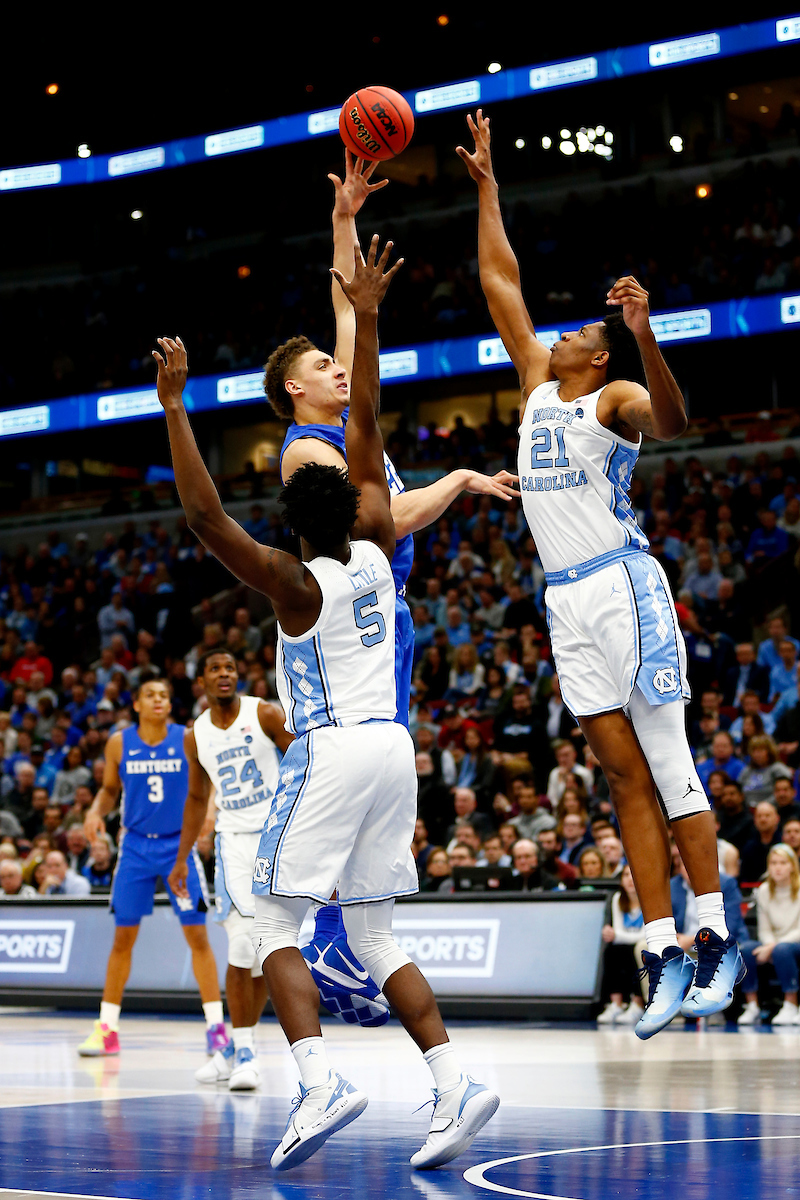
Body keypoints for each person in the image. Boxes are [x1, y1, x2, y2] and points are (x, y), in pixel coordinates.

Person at [153, 240, 498, 1172]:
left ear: (293, 518)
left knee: (264, 922)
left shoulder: (290, 582)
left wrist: (177, 407)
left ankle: (317, 1078)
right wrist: (371, 318)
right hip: (397, 748)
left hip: (334, 752)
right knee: (378, 932)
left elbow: (202, 516)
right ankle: (454, 1081)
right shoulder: (381, 544)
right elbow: (372, 426)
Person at [459, 107, 742, 1040]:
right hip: (564, 601)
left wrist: (643, 330)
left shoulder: (614, 393)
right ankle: (662, 947)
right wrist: (489, 187)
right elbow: (501, 280)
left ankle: (717, 933)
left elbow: (675, 423)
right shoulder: (541, 382)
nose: (566, 332)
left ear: (600, 355)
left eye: (585, 329)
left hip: (625, 585)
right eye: (574, 327)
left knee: (668, 764)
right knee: (622, 781)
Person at [267, 155, 516, 973]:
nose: (339, 369)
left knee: (380, 775)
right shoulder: (308, 450)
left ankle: (346, 937)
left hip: (380, 611)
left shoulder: (343, 420)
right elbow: (376, 530)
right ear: (297, 395)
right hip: (348, 620)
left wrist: (343, 216)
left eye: (336, 365)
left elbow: (349, 308)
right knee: (359, 769)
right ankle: (325, 935)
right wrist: (458, 478)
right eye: (322, 370)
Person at [77, 676, 224, 1058]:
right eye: (150, 695)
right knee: (122, 938)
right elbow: (110, 790)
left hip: (180, 846)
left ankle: (216, 1028)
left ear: (170, 704)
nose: (158, 700)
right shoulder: (118, 743)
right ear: (137, 705)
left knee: (197, 936)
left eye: (164, 694)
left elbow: (206, 783)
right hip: (135, 848)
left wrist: (208, 814)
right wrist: (95, 811)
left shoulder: (187, 737)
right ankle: (107, 1028)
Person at [168, 649, 294, 1091]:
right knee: (241, 943)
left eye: (231, 669)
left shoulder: (265, 714)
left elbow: (303, 763)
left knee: (260, 950)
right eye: (215, 669)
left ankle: (235, 1047)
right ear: (200, 679)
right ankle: (243, 1049)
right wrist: (182, 857)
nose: (224, 674)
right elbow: (197, 799)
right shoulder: (195, 734)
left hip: (277, 838)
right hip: (232, 845)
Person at [752, 844, 800, 1026]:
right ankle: (752, 1006)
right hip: (777, 945)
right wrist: (770, 945)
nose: (777, 867)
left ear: (792, 866)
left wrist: (773, 947)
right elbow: (764, 929)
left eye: (782, 863)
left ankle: (791, 1003)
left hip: (795, 943)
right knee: (748, 950)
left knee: (782, 950)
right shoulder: (764, 890)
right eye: (773, 863)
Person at [597, 865, 645, 1024]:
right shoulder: (618, 899)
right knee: (611, 951)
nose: (630, 879)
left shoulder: (649, 899)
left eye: (634, 875)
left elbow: (645, 934)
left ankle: (637, 1004)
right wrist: (614, 935)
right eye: (625, 875)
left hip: (644, 945)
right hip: (624, 945)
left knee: (636, 951)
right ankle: (616, 1003)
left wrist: (617, 935)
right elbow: (616, 932)